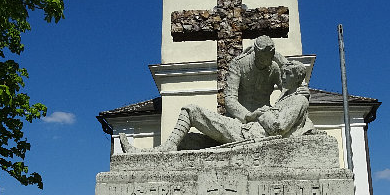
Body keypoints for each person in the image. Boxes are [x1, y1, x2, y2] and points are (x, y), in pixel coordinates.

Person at [120, 59, 313, 153]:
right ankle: (148, 155)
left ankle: (165, 148)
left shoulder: (298, 99)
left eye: (287, 74)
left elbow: (278, 128)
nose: (283, 76)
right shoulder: (287, 96)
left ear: (297, 78)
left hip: (248, 136)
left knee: (192, 110)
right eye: (283, 73)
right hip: (246, 130)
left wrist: (261, 113)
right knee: (186, 142)